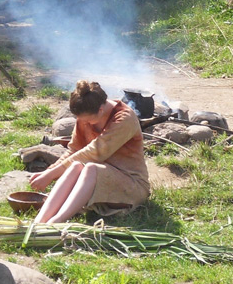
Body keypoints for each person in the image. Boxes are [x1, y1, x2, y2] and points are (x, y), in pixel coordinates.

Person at [30, 80, 150, 223]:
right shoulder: (86, 117)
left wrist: (51, 174)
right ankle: (39, 222)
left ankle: (55, 222)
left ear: (100, 110)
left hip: (131, 185)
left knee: (91, 168)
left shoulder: (124, 119)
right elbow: (74, 151)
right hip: (96, 179)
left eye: (88, 121)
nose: (83, 123)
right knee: (76, 166)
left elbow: (95, 153)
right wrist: (49, 172)